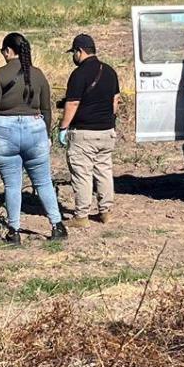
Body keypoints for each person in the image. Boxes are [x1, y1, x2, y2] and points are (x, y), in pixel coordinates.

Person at [0, 33, 67, 245]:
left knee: (12, 185)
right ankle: (57, 225)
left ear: (8, 51)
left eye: (3, 51)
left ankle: (14, 231)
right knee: (43, 181)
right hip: (35, 130)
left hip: (3, 131)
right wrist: (46, 132)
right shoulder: (38, 74)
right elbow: (46, 108)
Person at [57, 34, 121, 228]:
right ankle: (106, 212)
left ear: (80, 51)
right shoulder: (109, 71)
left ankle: (82, 215)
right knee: (104, 171)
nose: (73, 57)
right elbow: (115, 101)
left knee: (82, 173)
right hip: (106, 131)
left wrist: (63, 127)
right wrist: (108, 120)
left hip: (84, 133)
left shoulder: (78, 75)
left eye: (73, 52)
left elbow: (73, 103)